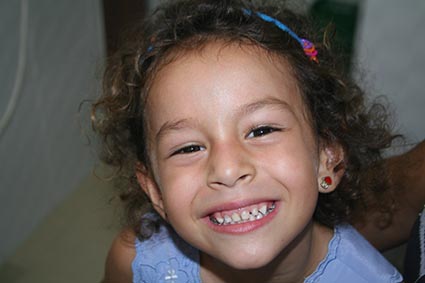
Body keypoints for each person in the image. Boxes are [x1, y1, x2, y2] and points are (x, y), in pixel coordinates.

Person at [92, 0, 404, 282]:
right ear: (155, 191)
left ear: (327, 156)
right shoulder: (137, 263)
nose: (227, 169)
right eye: (188, 147)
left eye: (261, 130)